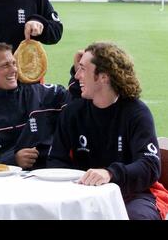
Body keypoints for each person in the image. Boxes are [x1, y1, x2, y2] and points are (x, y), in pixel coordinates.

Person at [48, 42, 168, 220]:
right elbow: (56, 159)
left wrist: (110, 173)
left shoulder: (136, 113)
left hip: (132, 195)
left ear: (103, 77)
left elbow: (150, 167)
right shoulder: (73, 112)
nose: (77, 76)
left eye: (83, 69)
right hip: (83, 194)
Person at [0, 42, 78, 169]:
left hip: (50, 180)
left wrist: (77, 72)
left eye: (14, 63)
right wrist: (11, 160)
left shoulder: (42, 94)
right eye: (5, 65)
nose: (14, 70)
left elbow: (76, 102)